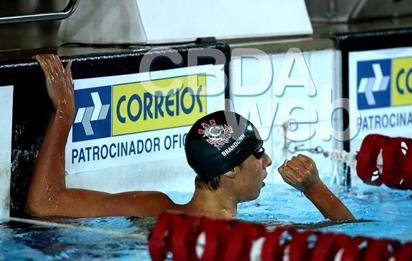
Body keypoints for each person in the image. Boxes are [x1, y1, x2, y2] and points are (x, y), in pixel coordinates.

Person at [26, 54, 354, 221]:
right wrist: (315, 188)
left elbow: (45, 203)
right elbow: (352, 243)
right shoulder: (248, 239)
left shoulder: (150, 208)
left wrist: (63, 114)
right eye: (257, 153)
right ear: (229, 170)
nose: (268, 161)